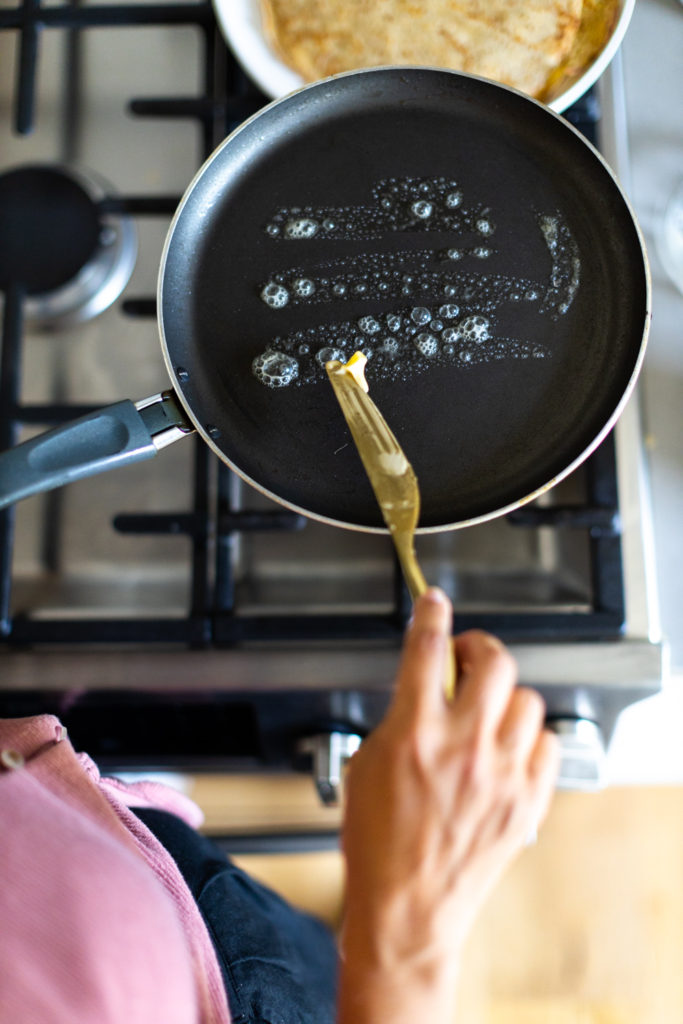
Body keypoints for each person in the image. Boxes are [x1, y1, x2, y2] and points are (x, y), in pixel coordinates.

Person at [0, 588, 559, 1023]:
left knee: (300, 949)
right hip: (225, 978)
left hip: (144, 892)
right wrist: (401, 955)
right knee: (313, 965)